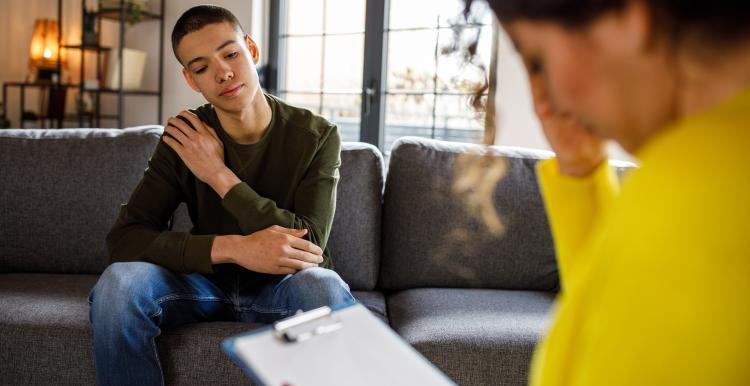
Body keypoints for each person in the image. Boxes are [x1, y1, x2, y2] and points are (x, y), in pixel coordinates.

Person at [470, 0, 750, 384]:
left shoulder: (691, 191)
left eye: (538, 62)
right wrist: (581, 170)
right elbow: (621, 313)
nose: (549, 100)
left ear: (633, 16)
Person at [88, 5, 355, 385]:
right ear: (191, 79)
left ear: (251, 49)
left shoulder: (317, 135)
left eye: (230, 54)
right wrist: (233, 248)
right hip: (202, 285)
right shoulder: (185, 138)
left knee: (323, 286)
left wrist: (218, 175)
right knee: (119, 285)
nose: (223, 72)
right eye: (201, 67)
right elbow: (125, 240)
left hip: (283, 289)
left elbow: (308, 244)